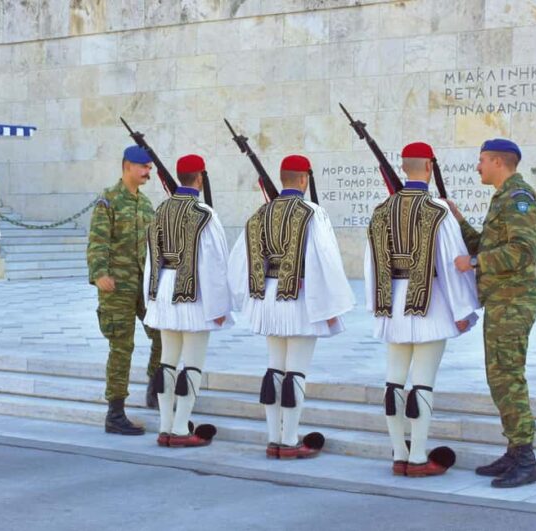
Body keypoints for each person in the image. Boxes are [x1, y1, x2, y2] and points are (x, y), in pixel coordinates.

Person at [364, 142, 479, 477]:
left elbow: (371, 265)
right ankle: (416, 458)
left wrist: (378, 305)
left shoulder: (381, 210)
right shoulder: (438, 211)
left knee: (394, 381)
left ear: (404, 167)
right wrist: (462, 309)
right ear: (429, 167)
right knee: (423, 382)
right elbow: (451, 263)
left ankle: (399, 454)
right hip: (431, 305)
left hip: (393, 306)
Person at [228, 155, 354, 459]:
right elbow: (325, 259)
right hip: (299, 300)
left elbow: (239, 261)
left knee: (275, 367)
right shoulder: (312, 213)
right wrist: (331, 304)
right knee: (296, 370)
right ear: (303, 179)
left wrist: (251, 295)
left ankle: (273, 439)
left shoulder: (260, 213)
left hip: (268, 299)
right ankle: (289, 440)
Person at [449, 138, 536, 488]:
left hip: (514, 303)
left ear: (498, 162)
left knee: (508, 377)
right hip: (503, 303)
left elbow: (522, 251)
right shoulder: (502, 198)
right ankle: (515, 451)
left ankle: (526, 459)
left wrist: (474, 262)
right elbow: (489, 245)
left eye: (481, 160)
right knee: (500, 377)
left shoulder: (519, 199)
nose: (478, 167)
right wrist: (459, 221)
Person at [144, 154, 232, 447]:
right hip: (193, 293)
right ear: (200, 177)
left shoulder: (160, 210)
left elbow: (150, 259)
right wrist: (219, 305)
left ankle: (165, 427)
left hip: (164, 291)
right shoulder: (204, 213)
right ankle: (181, 428)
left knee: (167, 362)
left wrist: (151, 298)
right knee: (192, 362)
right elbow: (215, 263)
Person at [87, 145, 162, 436]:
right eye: (143, 167)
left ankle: (155, 386)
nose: (148, 172)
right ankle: (115, 413)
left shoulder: (145, 204)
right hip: (116, 286)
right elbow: (97, 241)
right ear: (127, 166)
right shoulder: (108, 200)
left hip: (143, 285)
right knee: (121, 347)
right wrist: (99, 274)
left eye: (149, 168)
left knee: (162, 334)